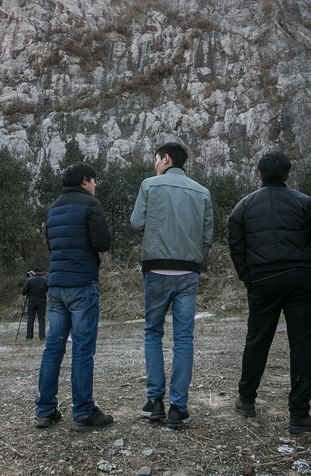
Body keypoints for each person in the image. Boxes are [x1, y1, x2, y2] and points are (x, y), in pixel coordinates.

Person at [228, 151, 311, 433]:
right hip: (302, 279)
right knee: (302, 344)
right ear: (288, 175)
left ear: (259, 175)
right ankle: (299, 414)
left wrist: (248, 277)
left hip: (262, 280)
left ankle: (246, 400)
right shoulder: (308, 204)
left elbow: (236, 246)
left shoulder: (243, 207)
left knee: (257, 339)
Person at [130, 142, 213, 429]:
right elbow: (207, 236)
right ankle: (178, 408)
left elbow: (135, 221)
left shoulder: (150, 186)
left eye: (156, 160)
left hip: (155, 270)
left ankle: (155, 402)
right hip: (188, 273)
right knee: (184, 339)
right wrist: (194, 261)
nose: (154, 165)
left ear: (166, 159)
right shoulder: (202, 192)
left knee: (153, 332)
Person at [34, 163, 114, 432]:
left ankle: (45, 411)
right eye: (93, 181)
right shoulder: (91, 205)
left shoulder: (53, 208)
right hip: (82, 285)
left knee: (53, 348)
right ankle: (83, 413)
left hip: (55, 286)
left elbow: (51, 245)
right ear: (84, 181)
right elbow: (103, 243)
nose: (95, 186)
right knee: (82, 349)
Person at [21, 270, 48, 341]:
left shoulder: (30, 280)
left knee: (30, 318)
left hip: (32, 302)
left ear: (34, 273)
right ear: (41, 272)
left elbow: (23, 292)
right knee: (41, 318)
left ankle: (29, 336)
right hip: (42, 301)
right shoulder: (45, 280)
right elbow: (48, 290)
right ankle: (42, 336)